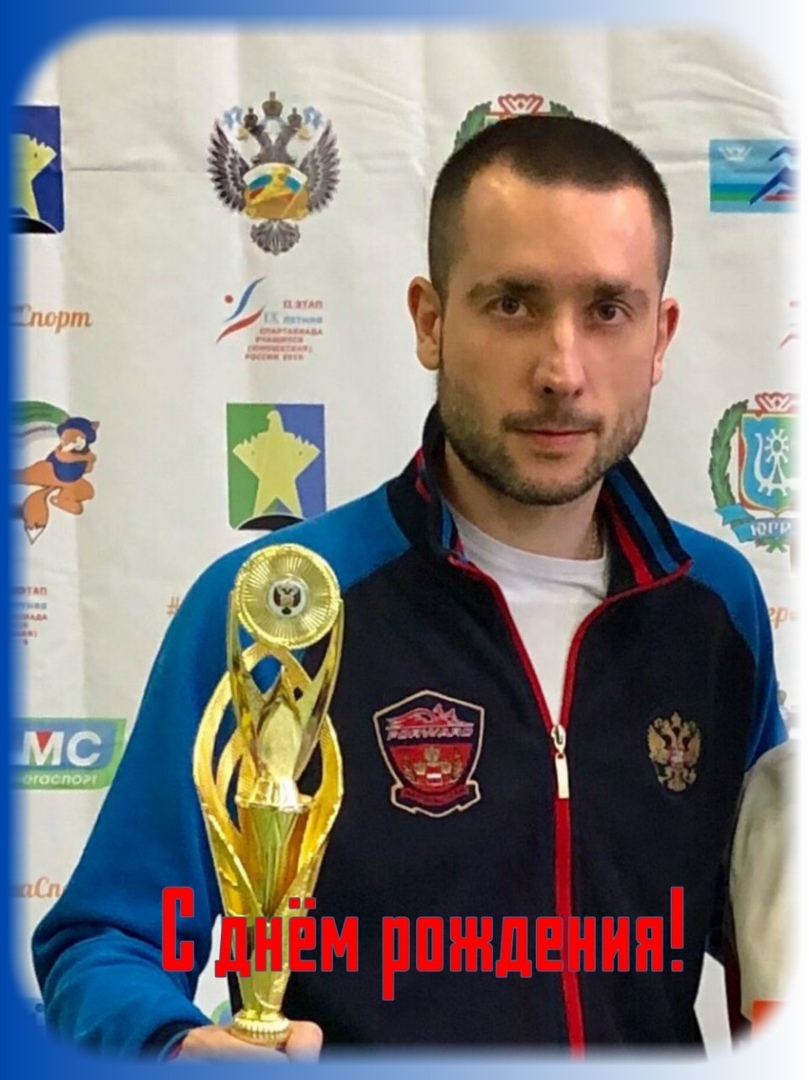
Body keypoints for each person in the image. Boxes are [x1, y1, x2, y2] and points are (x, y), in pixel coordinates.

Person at [32, 115, 787, 1059]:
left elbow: (766, 924)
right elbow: (102, 944)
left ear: (659, 335)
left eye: (607, 310)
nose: (561, 370)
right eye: (511, 304)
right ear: (430, 321)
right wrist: (170, 1046)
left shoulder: (714, 607)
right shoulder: (278, 607)